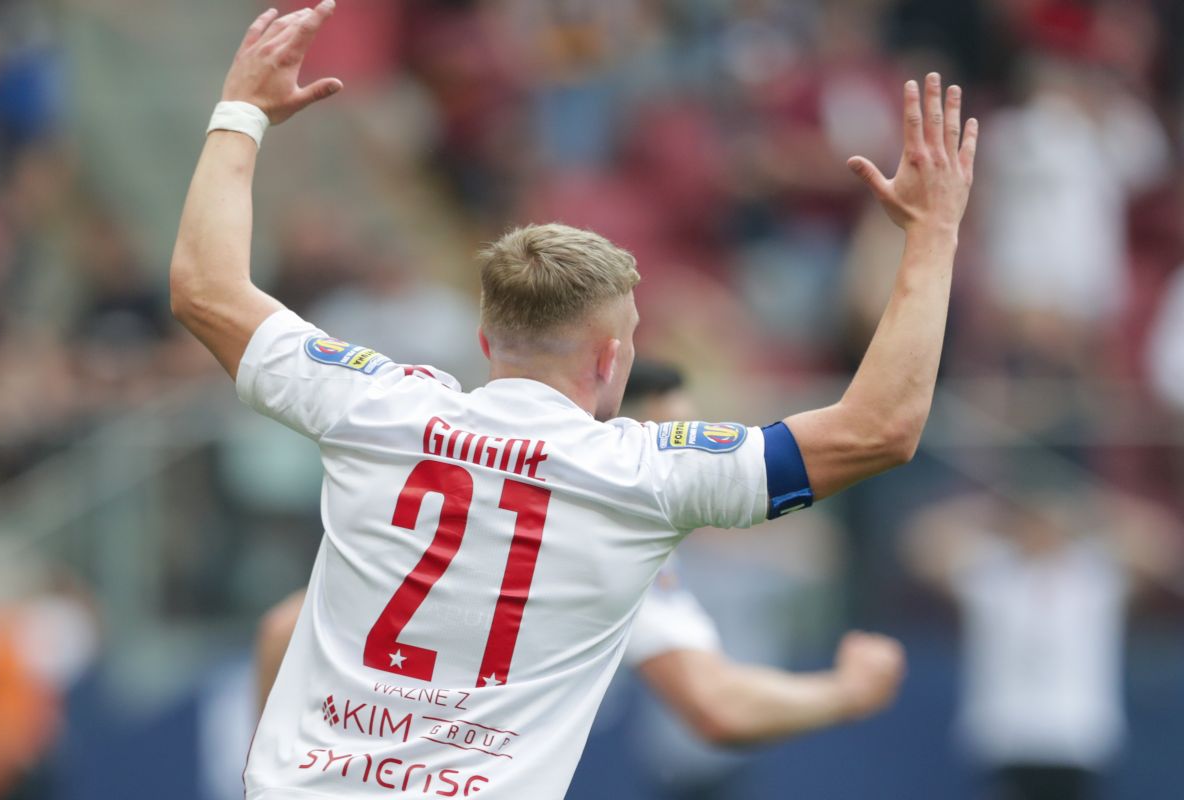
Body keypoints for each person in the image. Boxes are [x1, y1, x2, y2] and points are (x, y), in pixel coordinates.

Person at [168, 2, 975, 796]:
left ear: (486, 340)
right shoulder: (642, 476)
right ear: (612, 359)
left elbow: (206, 289)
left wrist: (242, 111)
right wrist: (931, 234)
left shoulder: (376, 405)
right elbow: (879, 431)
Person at [253, 361, 906, 749]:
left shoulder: (465, 475)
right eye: (673, 437)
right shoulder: (610, 529)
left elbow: (285, 628)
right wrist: (847, 691)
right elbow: (718, 706)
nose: (687, 462)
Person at [901, 484, 1182, 800]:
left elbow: (1162, 548)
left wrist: (1096, 509)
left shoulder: (1093, 575)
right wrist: (988, 510)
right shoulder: (992, 574)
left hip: (1076, 737)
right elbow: (922, 544)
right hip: (1008, 736)